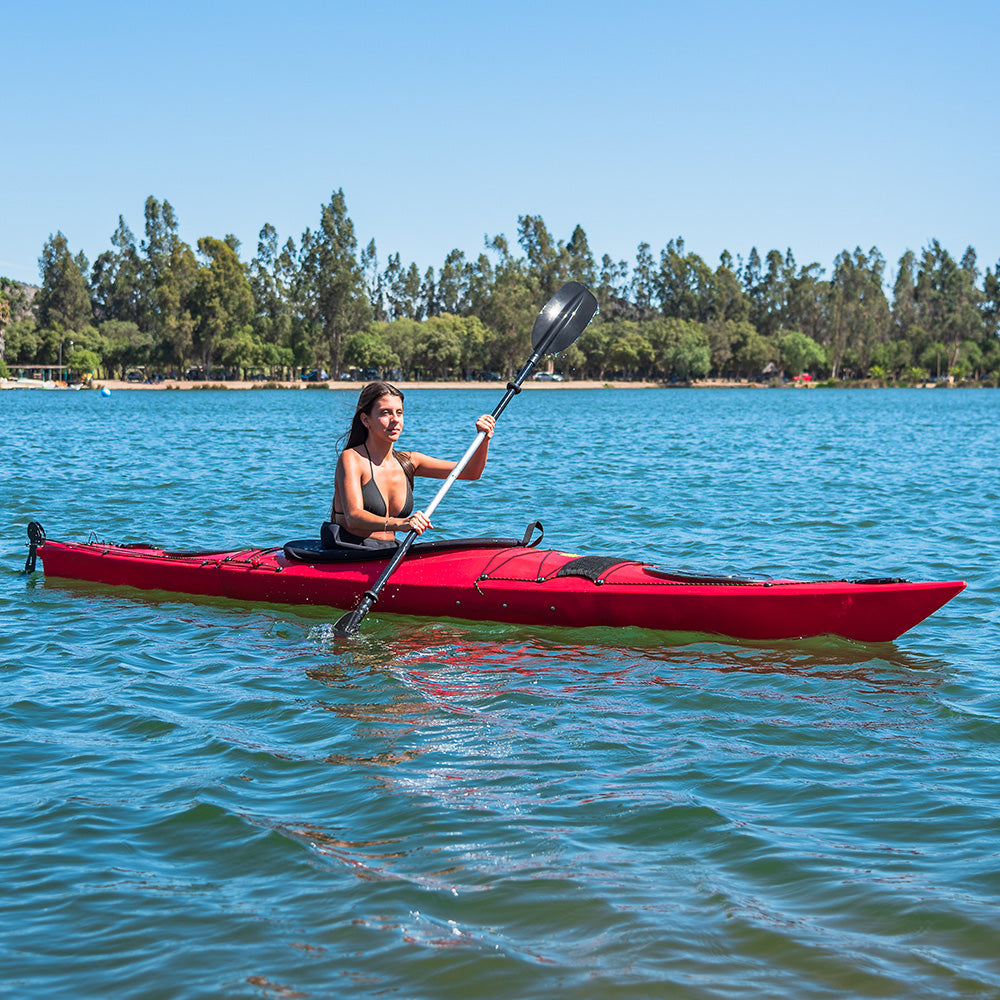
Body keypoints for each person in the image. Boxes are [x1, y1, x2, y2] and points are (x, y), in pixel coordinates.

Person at [326, 381, 495, 549]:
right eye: (385, 413)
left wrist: (484, 438)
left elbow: (471, 472)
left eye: (399, 413)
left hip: (388, 550)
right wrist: (401, 523)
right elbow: (353, 516)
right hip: (350, 550)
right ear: (365, 420)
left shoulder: (409, 461)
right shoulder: (351, 459)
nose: (395, 420)